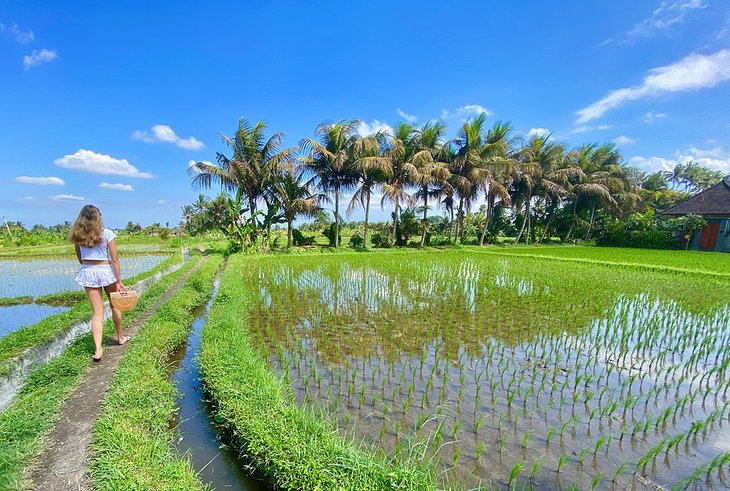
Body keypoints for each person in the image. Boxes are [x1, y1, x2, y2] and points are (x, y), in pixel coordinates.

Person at [68, 205, 128, 362]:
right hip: (106, 270)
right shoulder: (106, 233)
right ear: (97, 217)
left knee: (97, 312)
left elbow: (80, 258)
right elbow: (114, 259)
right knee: (115, 305)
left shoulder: (78, 235)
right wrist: (119, 281)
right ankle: (120, 337)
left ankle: (98, 350)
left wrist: (89, 267)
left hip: (88, 271)